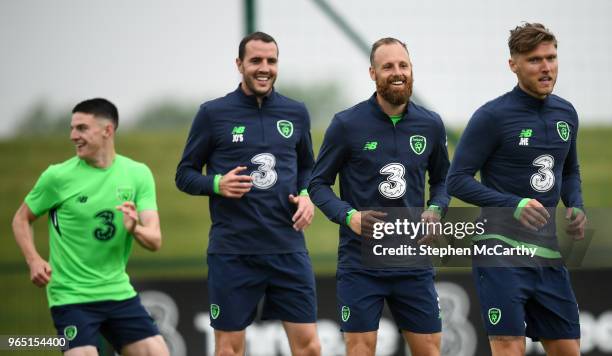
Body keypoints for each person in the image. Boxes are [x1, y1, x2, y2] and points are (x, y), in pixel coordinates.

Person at [175, 32, 320, 356]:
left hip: (287, 247)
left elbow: (308, 168)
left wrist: (307, 194)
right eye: (256, 60)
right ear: (240, 64)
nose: (264, 67)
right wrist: (216, 184)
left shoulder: (296, 112)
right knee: (228, 349)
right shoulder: (213, 114)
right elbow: (184, 175)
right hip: (234, 253)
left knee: (309, 346)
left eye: (271, 60)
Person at [447, 23, 586, 356]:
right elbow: (457, 179)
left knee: (568, 349)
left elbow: (569, 170)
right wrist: (514, 203)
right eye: (535, 60)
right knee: (509, 348)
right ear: (514, 65)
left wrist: (575, 205)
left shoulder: (566, 113)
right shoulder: (492, 116)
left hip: (548, 251)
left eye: (551, 58)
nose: (546, 67)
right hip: (500, 251)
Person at [308, 37, 450, 356]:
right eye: (388, 66)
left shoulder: (430, 124)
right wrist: (349, 216)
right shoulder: (346, 124)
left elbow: (444, 180)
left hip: (413, 259)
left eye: (403, 65)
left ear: (411, 70)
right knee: (360, 348)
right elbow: (318, 184)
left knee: (430, 349)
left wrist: (437, 209)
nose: (397, 72)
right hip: (361, 263)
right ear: (373, 73)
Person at [12, 98, 169, 356]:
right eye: (72, 128)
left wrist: (135, 229)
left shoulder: (137, 173)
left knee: (157, 352)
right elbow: (21, 219)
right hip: (71, 297)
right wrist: (33, 260)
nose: (74, 136)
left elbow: (155, 239)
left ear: (107, 130)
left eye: (82, 128)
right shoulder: (57, 177)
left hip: (118, 292)